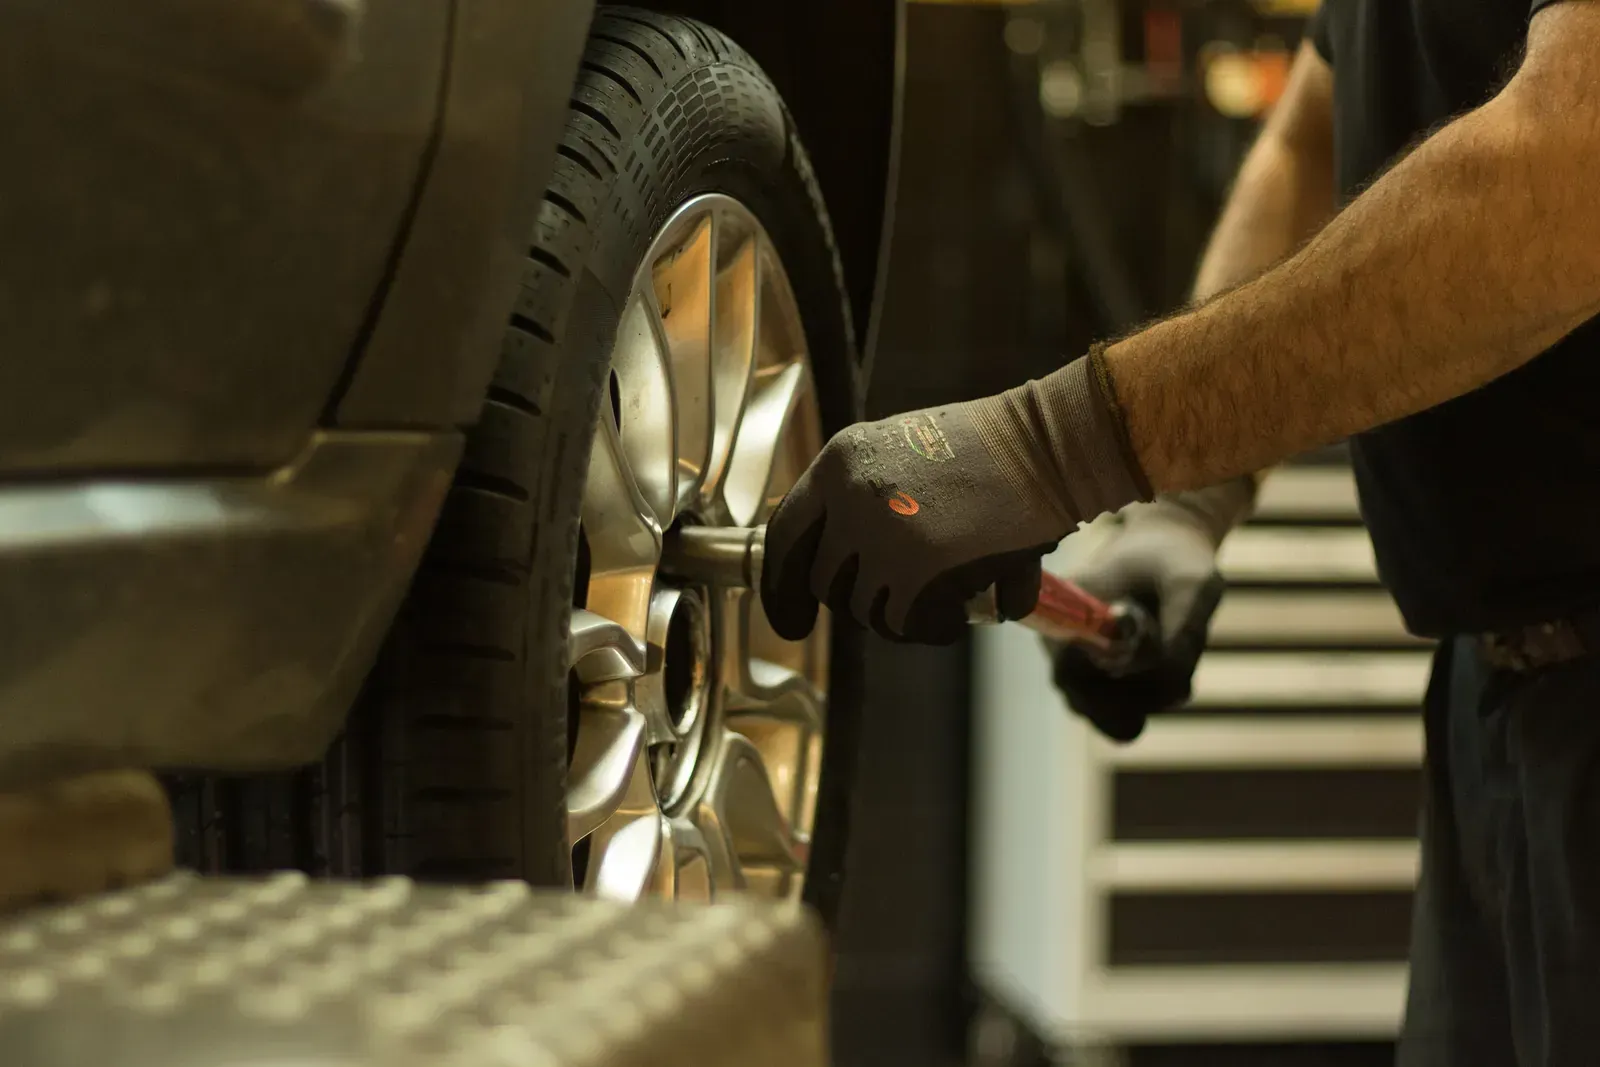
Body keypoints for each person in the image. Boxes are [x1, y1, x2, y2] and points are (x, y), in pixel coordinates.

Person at [758, 3, 1600, 1064]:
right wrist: (1187, 504)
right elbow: (1308, 135)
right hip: (1501, 712)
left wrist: (1054, 446)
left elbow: (1569, 175)